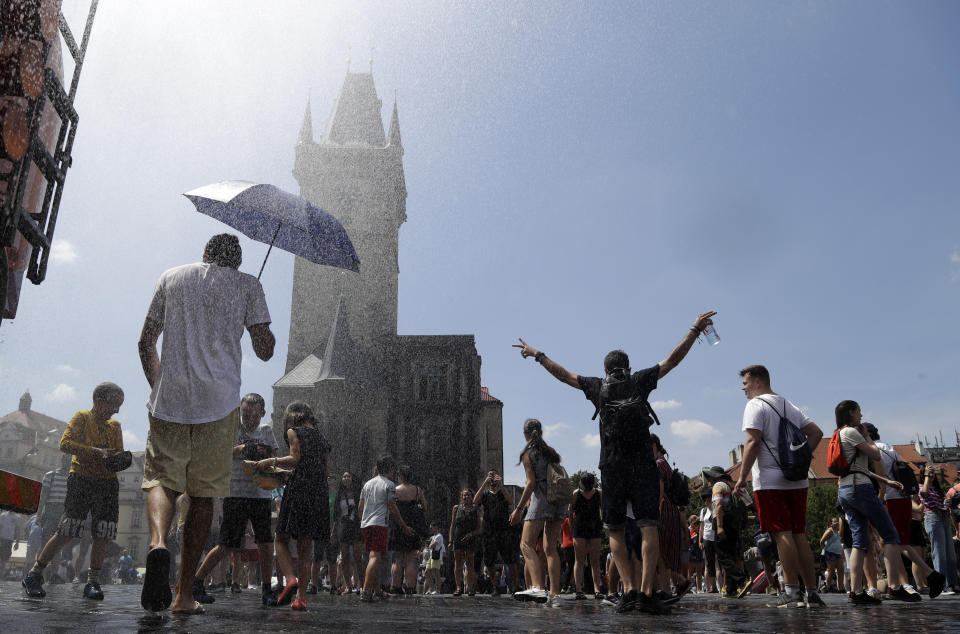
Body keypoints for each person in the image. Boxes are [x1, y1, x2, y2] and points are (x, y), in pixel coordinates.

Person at [513, 309, 715, 615]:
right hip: (644, 465)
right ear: (628, 368)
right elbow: (672, 360)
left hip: (612, 465)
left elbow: (564, 375)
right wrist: (694, 330)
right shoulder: (640, 380)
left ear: (606, 370)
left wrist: (537, 354)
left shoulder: (597, 386)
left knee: (616, 531)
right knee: (649, 527)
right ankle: (647, 592)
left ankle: (629, 592)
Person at [137, 233, 275, 615]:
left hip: (171, 399)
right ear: (238, 261)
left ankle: (159, 543)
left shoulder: (172, 276)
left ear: (206, 253)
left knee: (162, 481)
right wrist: (255, 320)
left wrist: (158, 385)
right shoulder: (249, 285)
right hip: (219, 403)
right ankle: (183, 595)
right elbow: (266, 351)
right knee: (201, 497)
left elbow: (145, 341)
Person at [732, 365, 825, 608]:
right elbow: (816, 432)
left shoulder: (755, 405)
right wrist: (802, 457)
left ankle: (792, 591)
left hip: (770, 481)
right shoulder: (787, 404)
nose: (743, 388)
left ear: (758, 382)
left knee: (781, 533)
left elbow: (753, 441)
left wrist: (742, 477)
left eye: (745, 383)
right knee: (798, 534)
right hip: (797, 478)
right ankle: (812, 592)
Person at [22, 382, 125, 601]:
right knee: (67, 529)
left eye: (119, 406)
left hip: (107, 482)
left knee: (103, 532)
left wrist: (120, 460)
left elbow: (116, 454)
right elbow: (65, 443)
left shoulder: (115, 426)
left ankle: (93, 581)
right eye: (114, 404)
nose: (117, 410)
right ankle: (35, 574)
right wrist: (94, 452)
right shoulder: (82, 417)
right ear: (99, 401)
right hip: (81, 479)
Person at [191, 393, 279, 607]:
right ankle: (196, 583)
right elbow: (220, 453)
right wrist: (240, 449)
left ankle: (267, 590)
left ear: (263, 414)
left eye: (254, 414)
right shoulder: (233, 430)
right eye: (245, 413)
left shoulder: (267, 431)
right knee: (226, 545)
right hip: (235, 494)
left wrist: (264, 459)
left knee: (266, 544)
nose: (249, 419)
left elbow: (274, 458)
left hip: (260, 494)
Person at [832, 400, 922, 605]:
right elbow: (874, 453)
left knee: (859, 540)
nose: (861, 415)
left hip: (845, 489)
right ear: (852, 412)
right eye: (859, 411)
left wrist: (885, 481)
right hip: (861, 488)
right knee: (890, 534)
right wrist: (867, 436)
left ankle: (856, 591)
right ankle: (895, 586)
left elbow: (859, 467)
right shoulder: (852, 432)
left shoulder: (838, 434)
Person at [261, 401, 331, 611]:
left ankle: (291, 579)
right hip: (318, 492)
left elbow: (294, 458)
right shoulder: (322, 438)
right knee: (305, 545)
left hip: (299, 488)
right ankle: (301, 598)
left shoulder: (294, 431)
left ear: (293, 418)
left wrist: (270, 463)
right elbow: (326, 470)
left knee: (281, 539)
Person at [867, 422, 945, 597]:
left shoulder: (873, 450)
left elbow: (877, 476)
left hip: (890, 498)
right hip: (902, 497)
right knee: (899, 542)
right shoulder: (891, 449)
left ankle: (896, 585)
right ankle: (929, 576)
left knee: (891, 541)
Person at [509, 418, 567, 607]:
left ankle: (537, 587)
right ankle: (555, 593)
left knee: (525, 544)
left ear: (525, 434)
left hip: (541, 499)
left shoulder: (528, 453)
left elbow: (531, 483)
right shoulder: (551, 452)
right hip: (558, 501)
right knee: (550, 548)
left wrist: (518, 509)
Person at [358, 455, 414, 602]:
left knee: (377, 557)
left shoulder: (367, 484)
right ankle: (365, 591)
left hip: (366, 524)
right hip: (380, 525)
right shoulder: (389, 485)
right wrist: (403, 525)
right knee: (375, 557)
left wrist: (363, 520)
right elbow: (393, 507)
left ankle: (377, 590)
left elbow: (360, 507)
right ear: (390, 469)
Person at [702, 465, 747, 598]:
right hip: (733, 522)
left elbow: (719, 505)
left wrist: (720, 526)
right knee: (730, 553)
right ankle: (731, 589)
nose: (709, 479)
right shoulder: (731, 485)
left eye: (710, 476)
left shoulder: (717, 486)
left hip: (723, 520)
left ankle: (741, 579)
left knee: (722, 555)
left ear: (715, 477)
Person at [473, 469, 519, 595]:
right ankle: (495, 585)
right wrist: (484, 483)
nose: (492, 479)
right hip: (488, 531)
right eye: (490, 477)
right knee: (489, 562)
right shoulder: (486, 493)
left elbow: (511, 501)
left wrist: (501, 485)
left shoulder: (502, 492)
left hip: (503, 531)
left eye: (494, 477)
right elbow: (475, 501)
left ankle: (515, 586)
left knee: (510, 560)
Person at [919, 463, 960, 593]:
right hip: (933, 519)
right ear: (924, 475)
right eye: (929, 474)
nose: (931, 476)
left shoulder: (936, 488)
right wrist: (926, 476)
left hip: (943, 519)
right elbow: (924, 493)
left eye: (932, 474)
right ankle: (942, 586)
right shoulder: (922, 487)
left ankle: (953, 583)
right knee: (939, 554)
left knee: (950, 555)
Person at [388, 464, 428, 594]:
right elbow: (425, 508)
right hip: (414, 526)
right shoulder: (417, 490)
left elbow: (390, 507)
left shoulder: (395, 490)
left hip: (398, 525)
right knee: (411, 558)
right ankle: (411, 587)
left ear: (399, 477)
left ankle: (396, 586)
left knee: (398, 558)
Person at [570, 472, 604, 599]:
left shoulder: (599, 493)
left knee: (595, 561)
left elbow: (603, 508)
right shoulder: (575, 494)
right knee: (579, 560)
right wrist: (572, 526)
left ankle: (597, 590)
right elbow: (570, 509)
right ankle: (578, 590)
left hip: (594, 528)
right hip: (580, 529)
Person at [333, 472, 363, 593]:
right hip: (344, 527)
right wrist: (333, 532)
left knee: (357, 557)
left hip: (356, 525)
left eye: (348, 476)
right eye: (344, 476)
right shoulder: (339, 494)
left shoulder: (358, 493)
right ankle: (348, 586)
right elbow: (337, 514)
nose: (346, 478)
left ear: (352, 479)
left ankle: (361, 585)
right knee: (344, 557)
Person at [449, 488, 481, 596]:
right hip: (458, 538)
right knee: (458, 564)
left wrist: (471, 534)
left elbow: (479, 528)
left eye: (468, 495)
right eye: (464, 495)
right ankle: (458, 587)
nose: (465, 497)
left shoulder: (475, 509)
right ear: (461, 497)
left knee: (470, 564)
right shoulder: (456, 508)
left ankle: (470, 588)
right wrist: (450, 540)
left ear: (472, 497)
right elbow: (452, 525)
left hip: (470, 538)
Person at [818, 518, 844, 593]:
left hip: (838, 553)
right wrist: (825, 550)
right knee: (831, 571)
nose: (837, 523)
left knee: (841, 570)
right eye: (835, 521)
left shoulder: (837, 532)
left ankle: (841, 588)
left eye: (837, 521)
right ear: (830, 524)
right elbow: (821, 541)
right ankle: (827, 587)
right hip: (830, 553)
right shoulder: (829, 531)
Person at [424, 522, 445, 595]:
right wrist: (429, 544)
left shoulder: (439, 536)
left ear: (436, 527)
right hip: (431, 557)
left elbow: (431, 546)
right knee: (426, 572)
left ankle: (438, 590)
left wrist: (430, 544)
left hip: (436, 557)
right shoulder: (433, 537)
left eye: (431, 528)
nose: (430, 529)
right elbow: (428, 545)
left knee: (436, 573)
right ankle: (431, 588)